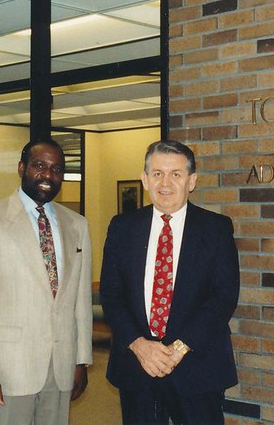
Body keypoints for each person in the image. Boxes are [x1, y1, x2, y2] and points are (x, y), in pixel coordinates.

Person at [100, 139, 240, 424]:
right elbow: (111, 294)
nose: (166, 183)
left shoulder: (216, 228)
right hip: (137, 365)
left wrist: (178, 349)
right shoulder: (122, 227)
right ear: (145, 180)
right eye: (157, 173)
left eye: (176, 174)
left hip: (197, 367)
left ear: (191, 181)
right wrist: (140, 345)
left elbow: (224, 296)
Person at [0, 138, 93, 425]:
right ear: (22, 168)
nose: (47, 175)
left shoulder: (77, 225)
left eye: (56, 169)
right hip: (7, 370)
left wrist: (81, 359)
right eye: (39, 166)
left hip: (60, 367)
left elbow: (80, 299)